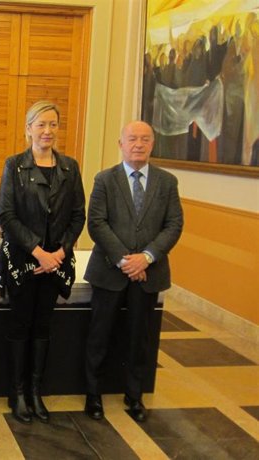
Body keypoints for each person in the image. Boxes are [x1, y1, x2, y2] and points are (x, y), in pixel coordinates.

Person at [84, 121, 183, 423]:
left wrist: (147, 258)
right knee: (99, 335)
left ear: (152, 144)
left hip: (149, 272)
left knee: (139, 337)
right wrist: (126, 260)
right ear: (121, 143)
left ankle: (134, 395)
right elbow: (97, 223)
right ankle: (93, 394)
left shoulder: (167, 182)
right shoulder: (105, 179)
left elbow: (174, 225)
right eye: (132, 139)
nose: (138, 144)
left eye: (144, 139)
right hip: (110, 271)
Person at [0, 101, 85, 424]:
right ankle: (17, 394)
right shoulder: (14, 165)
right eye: (41, 124)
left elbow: (78, 216)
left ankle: (35, 392)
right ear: (28, 128)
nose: (47, 131)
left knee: (44, 327)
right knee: (20, 326)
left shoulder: (70, 168)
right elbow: (7, 214)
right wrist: (38, 251)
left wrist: (59, 253)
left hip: (55, 264)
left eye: (53, 125)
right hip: (24, 263)